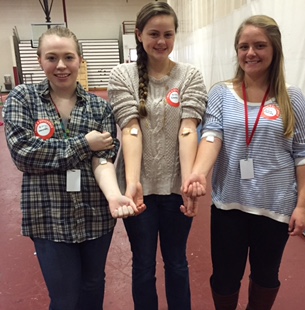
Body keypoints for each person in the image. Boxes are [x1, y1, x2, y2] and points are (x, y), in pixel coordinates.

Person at [182, 15, 305, 310]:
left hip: (275, 205)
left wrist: (303, 205)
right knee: (224, 279)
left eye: (259, 46)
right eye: (243, 46)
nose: (250, 53)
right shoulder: (221, 93)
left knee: (267, 276)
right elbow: (211, 136)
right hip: (229, 203)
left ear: (274, 49)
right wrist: (198, 173)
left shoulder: (292, 98)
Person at [3, 26, 138, 310]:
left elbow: (102, 161)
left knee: (92, 288)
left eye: (68, 57)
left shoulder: (99, 108)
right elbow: (24, 154)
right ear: (40, 60)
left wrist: (114, 196)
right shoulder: (22, 99)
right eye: (52, 58)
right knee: (64, 298)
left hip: (95, 214)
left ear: (80, 60)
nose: (61, 66)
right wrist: (85, 144)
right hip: (47, 216)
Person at [107, 2, 207, 309]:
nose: (161, 41)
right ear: (138, 35)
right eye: (153, 34)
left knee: (177, 262)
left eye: (168, 34)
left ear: (176, 35)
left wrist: (189, 181)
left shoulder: (189, 75)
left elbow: (188, 128)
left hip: (175, 187)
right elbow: (130, 129)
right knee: (143, 265)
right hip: (139, 190)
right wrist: (134, 183)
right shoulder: (121, 75)